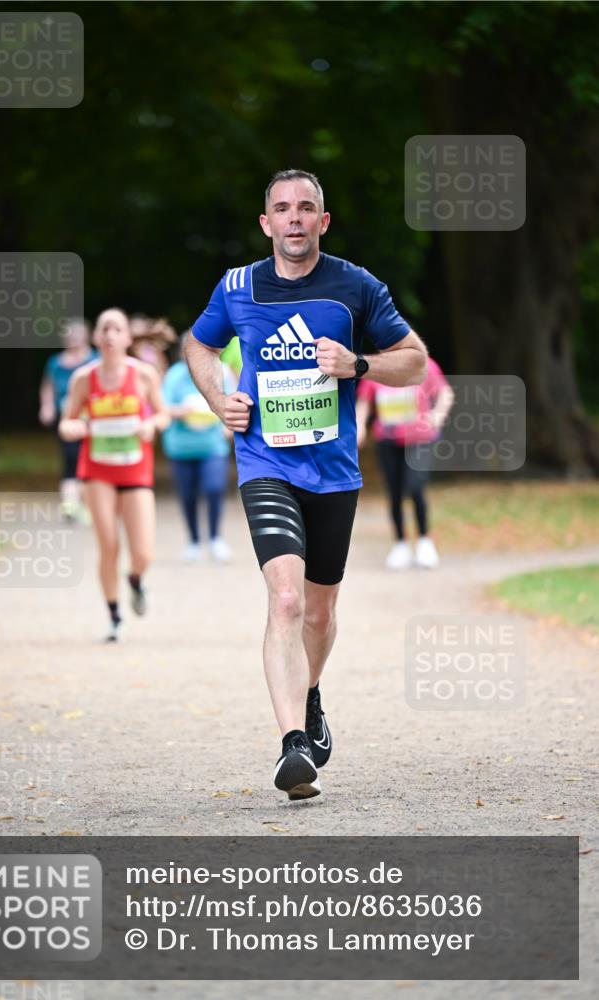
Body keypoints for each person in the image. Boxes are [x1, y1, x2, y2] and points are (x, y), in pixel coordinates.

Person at [185, 169, 428, 800]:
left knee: (320, 610)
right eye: (282, 209)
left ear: (323, 221)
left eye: (307, 208)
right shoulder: (237, 287)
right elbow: (198, 346)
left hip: (334, 471)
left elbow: (416, 360)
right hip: (265, 461)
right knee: (286, 600)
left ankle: (311, 694)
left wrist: (360, 363)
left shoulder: (355, 286)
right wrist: (218, 401)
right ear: (266, 223)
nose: (295, 218)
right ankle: (293, 744)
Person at [59, 308, 170, 642]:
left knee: (143, 553)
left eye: (116, 329)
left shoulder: (144, 375)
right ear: (96, 337)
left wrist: (151, 424)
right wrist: (75, 427)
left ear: (126, 338)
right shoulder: (83, 378)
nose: (109, 335)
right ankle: (114, 616)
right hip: (97, 471)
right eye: (104, 328)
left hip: (135, 469)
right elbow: (65, 423)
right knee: (108, 545)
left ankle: (135, 581)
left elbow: (163, 414)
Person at [356, 358, 455, 569]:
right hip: (388, 440)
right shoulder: (377, 366)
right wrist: (360, 427)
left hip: (420, 438)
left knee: (415, 486)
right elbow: (364, 401)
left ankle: (424, 541)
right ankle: (400, 544)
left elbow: (445, 393)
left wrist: (437, 415)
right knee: (394, 492)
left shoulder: (423, 364)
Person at [162, 332, 236, 563]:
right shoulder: (174, 375)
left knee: (214, 488)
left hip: (212, 445)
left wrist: (229, 427)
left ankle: (215, 538)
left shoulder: (222, 372)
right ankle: (193, 541)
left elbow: (236, 401)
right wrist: (182, 411)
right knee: (187, 495)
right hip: (181, 447)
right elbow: (162, 408)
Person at [38, 318, 97, 521]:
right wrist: (46, 407)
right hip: (67, 418)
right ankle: (70, 506)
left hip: (93, 419)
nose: (72, 339)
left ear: (87, 336)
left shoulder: (95, 360)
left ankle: (89, 505)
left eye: (77, 334)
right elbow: (48, 386)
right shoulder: (55, 362)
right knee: (70, 460)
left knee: (90, 459)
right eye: (69, 335)